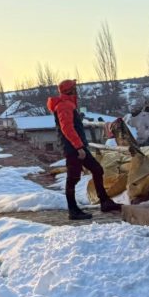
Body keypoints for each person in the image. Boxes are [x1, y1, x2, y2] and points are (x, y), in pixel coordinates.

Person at [47, 79, 122, 220]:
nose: (77, 89)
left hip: (77, 146)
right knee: (73, 178)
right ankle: (73, 210)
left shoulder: (68, 104)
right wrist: (78, 147)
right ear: (70, 90)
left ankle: (105, 202)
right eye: (75, 87)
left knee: (97, 169)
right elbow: (67, 128)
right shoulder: (64, 106)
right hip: (73, 148)